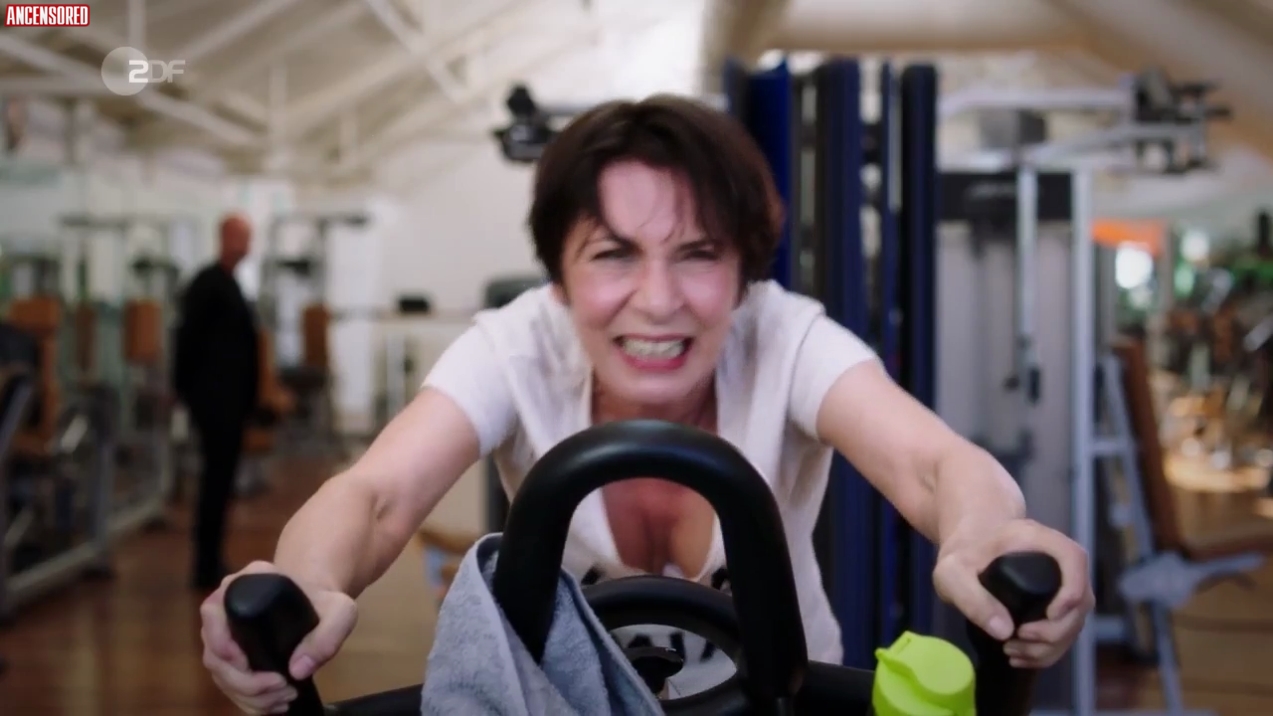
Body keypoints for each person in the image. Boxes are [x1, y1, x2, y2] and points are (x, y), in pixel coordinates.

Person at [199, 96, 1094, 713]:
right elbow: (375, 495)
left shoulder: (783, 335)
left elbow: (931, 463)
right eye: (614, 255)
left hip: (782, 701)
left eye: (697, 254)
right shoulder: (517, 344)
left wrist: (987, 534)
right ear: (560, 279)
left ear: (742, 274)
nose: (658, 301)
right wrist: (303, 583)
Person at [176, 214, 260, 591]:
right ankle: (204, 564)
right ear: (225, 237)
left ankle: (211, 560)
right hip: (215, 403)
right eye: (243, 238)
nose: (247, 246)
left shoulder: (229, 284)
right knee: (214, 483)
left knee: (221, 483)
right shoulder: (207, 285)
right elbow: (186, 342)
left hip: (230, 402)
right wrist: (186, 393)